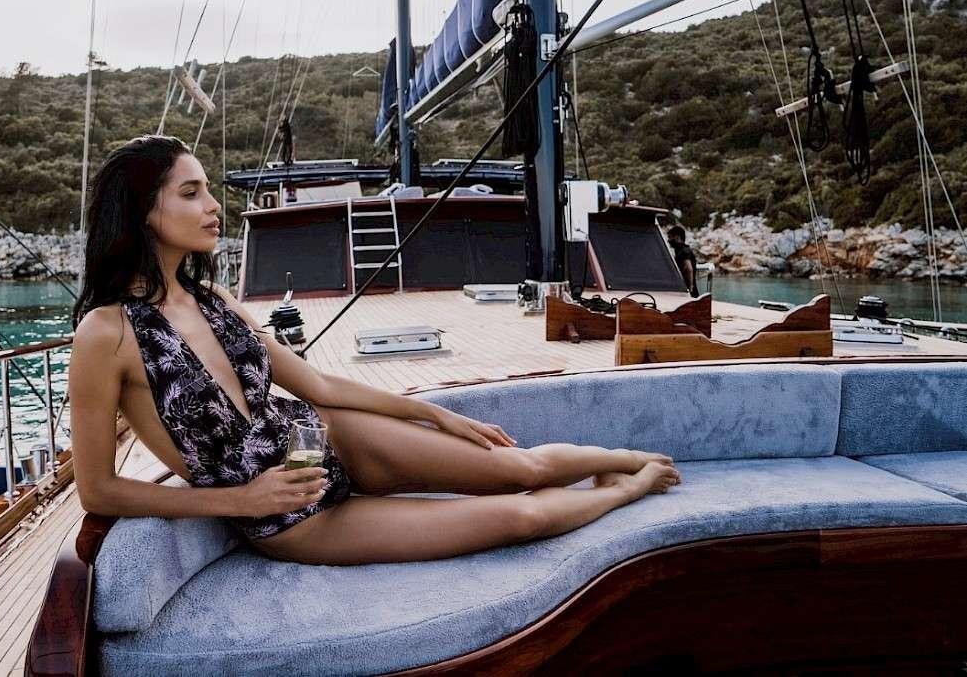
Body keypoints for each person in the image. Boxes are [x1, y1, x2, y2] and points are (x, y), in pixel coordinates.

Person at [68, 134, 681, 566]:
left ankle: (624, 457)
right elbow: (97, 489)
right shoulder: (106, 334)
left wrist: (433, 411)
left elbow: (321, 388)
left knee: (517, 469)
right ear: (145, 213)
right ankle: (629, 488)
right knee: (520, 518)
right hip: (287, 514)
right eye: (191, 193)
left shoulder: (216, 300)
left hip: (314, 437)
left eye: (207, 191)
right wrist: (239, 501)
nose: (212, 207)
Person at [667, 224, 701, 298]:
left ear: (677, 237)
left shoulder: (684, 251)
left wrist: (690, 287)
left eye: (670, 237)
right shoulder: (680, 250)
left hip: (688, 292)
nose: (668, 240)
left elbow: (688, 268)